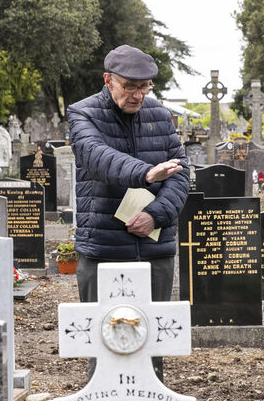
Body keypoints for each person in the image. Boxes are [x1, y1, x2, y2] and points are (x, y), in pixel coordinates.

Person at [67, 44, 190, 380]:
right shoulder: (83, 114)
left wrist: (157, 214)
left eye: (145, 86)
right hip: (104, 248)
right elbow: (95, 157)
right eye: (129, 86)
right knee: (104, 340)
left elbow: (182, 173)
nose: (138, 95)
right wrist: (146, 173)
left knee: (152, 342)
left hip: (155, 248)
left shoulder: (160, 115)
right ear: (108, 80)